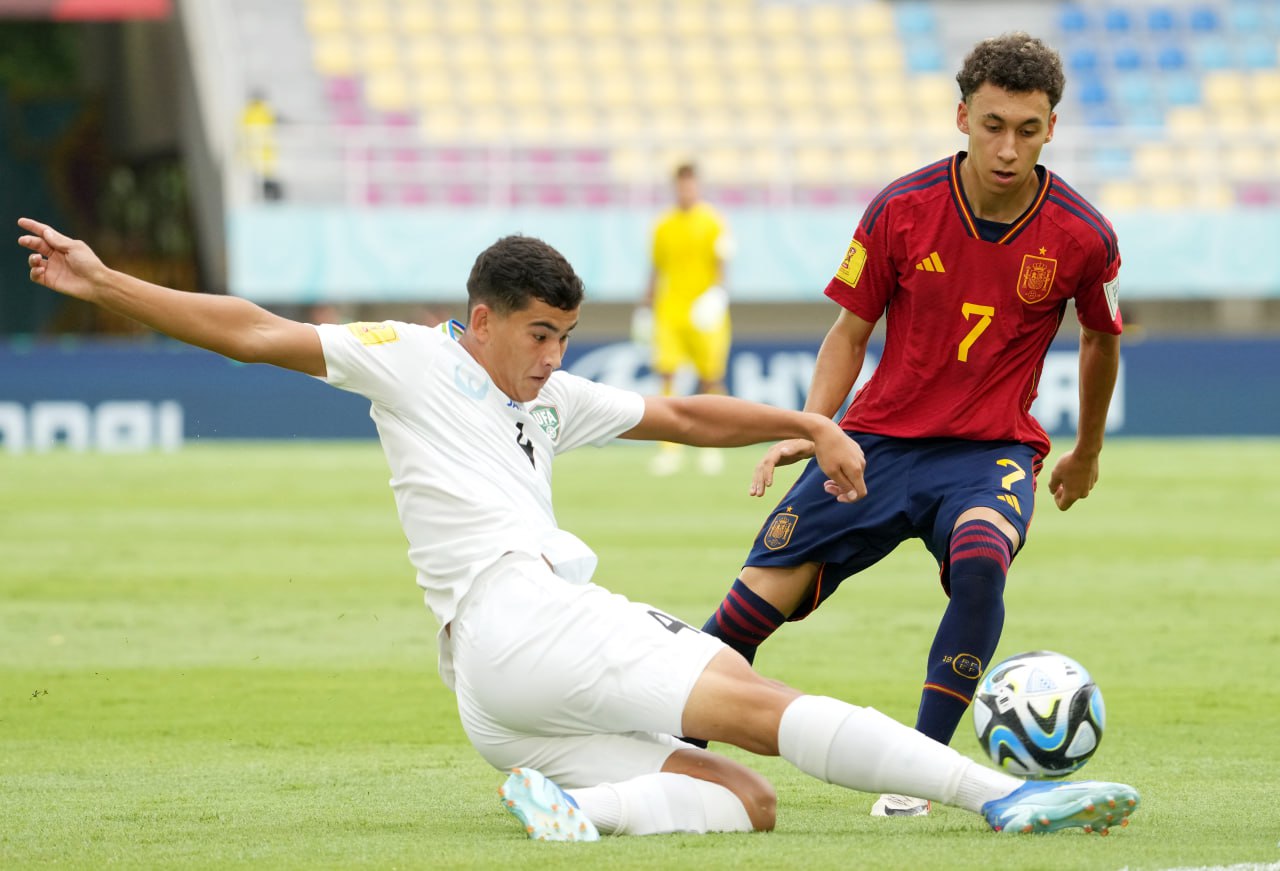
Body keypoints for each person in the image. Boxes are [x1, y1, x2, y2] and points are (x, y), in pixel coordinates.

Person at [17, 217, 1139, 841]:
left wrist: (805, 418)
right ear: (484, 318)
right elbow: (256, 332)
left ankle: (577, 812)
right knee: (757, 707)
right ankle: (999, 793)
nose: (554, 358)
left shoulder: (543, 399)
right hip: (524, 612)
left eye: (564, 337)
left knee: (740, 802)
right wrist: (111, 282)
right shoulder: (413, 359)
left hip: (498, 700)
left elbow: (681, 411)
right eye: (540, 334)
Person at [696, 32, 1124, 818]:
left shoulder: (1081, 234)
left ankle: (920, 766)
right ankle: (671, 748)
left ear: (1051, 130)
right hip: (876, 443)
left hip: (987, 452)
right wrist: (813, 424)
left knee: (982, 557)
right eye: (992, 124)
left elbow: (1101, 339)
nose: (1007, 147)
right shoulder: (901, 208)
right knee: (747, 610)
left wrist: (1086, 451)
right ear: (962, 115)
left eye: (1027, 130)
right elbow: (848, 333)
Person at [635, 162, 733, 477]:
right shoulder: (662, 225)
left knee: (710, 379)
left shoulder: (714, 222)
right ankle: (669, 449)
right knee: (667, 375)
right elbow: (655, 268)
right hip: (670, 311)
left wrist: (717, 295)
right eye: (681, 185)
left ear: (698, 186)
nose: (686, 190)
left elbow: (722, 263)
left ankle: (712, 447)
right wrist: (645, 307)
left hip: (706, 312)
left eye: (690, 185)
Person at [240, 90, 283, 201]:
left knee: (263, 179)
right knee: (263, 179)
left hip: (260, 152)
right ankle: (269, 199)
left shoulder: (249, 112)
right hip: (261, 152)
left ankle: (268, 198)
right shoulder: (261, 111)